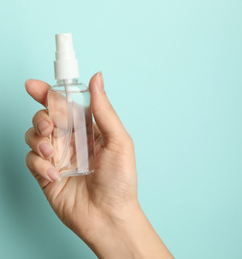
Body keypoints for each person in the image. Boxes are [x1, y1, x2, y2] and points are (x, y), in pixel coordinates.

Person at [24, 72, 173, 258]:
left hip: (89, 176)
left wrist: (114, 213)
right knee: (48, 130)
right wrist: (108, 221)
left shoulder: (80, 91)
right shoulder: (58, 93)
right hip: (69, 181)